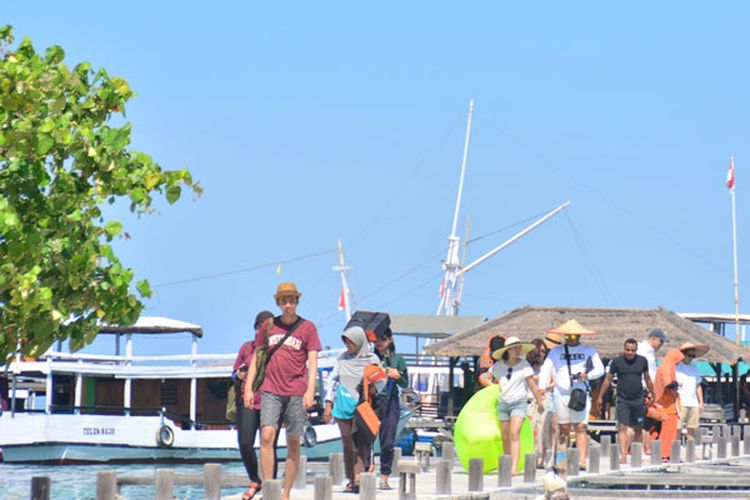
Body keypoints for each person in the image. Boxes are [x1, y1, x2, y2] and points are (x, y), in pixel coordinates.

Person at [244, 283, 321, 500]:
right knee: (267, 435)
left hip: (296, 391)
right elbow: (256, 359)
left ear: (297, 302)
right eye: (284, 301)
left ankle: (285, 492)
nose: (288, 305)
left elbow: (313, 361)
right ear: (278, 303)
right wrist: (249, 388)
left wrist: (310, 391)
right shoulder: (268, 326)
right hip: (271, 389)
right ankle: (270, 488)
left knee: (293, 441)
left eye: (292, 300)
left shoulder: (308, 328)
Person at [323, 326, 385, 493]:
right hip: (343, 405)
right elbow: (333, 380)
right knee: (347, 442)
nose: (348, 344)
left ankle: (359, 477)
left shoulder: (371, 358)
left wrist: (374, 389)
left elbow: (381, 380)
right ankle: (351, 478)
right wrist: (328, 403)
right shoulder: (342, 358)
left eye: (351, 341)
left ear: (359, 341)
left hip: (362, 406)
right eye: (346, 341)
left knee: (361, 442)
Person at [538, 319, 604, 470]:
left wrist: (587, 375)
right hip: (561, 393)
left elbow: (599, 369)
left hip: (579, 392)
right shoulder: (556, 351)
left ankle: (581, 460)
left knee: (581, 427)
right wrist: (542, 386)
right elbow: (546, 368)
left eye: (574, 336)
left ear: (579, 336)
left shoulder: (589, 350)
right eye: (567, 336)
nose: (570, 338)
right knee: (563, 428)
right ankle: (562, 457)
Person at [234, 310, 275, 500]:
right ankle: (254, 479)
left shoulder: (275, 347)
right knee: (245, 443)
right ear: (257, 327)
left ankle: (270, 484)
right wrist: (239, 375)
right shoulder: (247, 347)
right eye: (264, 326)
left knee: (269, 444)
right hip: (248, 400)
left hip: (270, 400)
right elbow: (233, 373)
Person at [491, 336, 544, 475]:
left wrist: (539, 401)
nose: (518, 350)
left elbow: (532, 384)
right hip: (503, 402)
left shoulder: (524, 365)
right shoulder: (498, 366)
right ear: (508, 350)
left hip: (519, 402)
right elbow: (486, 377)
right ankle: (507, 462)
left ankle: (514, 466)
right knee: (505, 435)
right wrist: (491, 386)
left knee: (515, 433)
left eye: (519, 347)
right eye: (515, 347)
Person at [596, 339, 655, 463]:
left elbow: (647, 378)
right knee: (622, 426)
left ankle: (636, 453)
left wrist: (653, 393)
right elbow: (607, 380)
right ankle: (623, 455)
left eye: (633, 350)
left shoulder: (642, 361)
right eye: (628, 350)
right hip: (623, 399)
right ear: (624, 349)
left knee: (638, 427)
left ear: (636, 350)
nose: (630, 353)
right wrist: (600, 396)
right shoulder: (617, 362)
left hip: (638, 399)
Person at [373, 328, 408, 490]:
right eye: (376, 340)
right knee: (366, 439)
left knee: (388, 441)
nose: (379, 343)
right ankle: (365, 471)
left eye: (383, 339)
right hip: (372, 400)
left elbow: (405, 384)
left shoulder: (398, 360)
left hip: (391, 400)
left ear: (390, 340)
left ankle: (384, 476)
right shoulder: (371, 358)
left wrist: (397, 375)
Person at [527, 334, 561, 469]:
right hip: (530, 401)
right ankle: (533, 457)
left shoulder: (548, 366)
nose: (542, 354)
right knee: (532, 430)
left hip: (545, 399)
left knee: (544, 431)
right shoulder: (526, 366)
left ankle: (542, 458)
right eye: (539, 351)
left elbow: (554, 381)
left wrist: (544, 386)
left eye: (543, 351)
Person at [649, 347, 685, 461]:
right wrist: (677, 384)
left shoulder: (666, 366)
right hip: (666, 404)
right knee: (668, 431)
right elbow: (668, 384)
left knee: (660, 430)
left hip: (665, 403)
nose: (678, 363)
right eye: (678, 361)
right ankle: (665, 453)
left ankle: (662, 453)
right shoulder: (666, 367)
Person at [636, 329, 666, 454]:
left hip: (650, 390)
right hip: (643, 389)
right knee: (643, 421)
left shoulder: (650, 352)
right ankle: (643, 449)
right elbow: (644, 373)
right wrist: (649, 389)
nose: (661, 345)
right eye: (661, 342)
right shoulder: (642, 349)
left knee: (648, 422)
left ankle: (646, 448)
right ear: (654, 339)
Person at [676, 342, 709, 441]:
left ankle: (691, 450)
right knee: (677, 427)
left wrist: (701, 402)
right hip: (681, 402)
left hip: (693, 402)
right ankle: (675, 449)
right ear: (683, 354)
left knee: (692, 427)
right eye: (689, 355)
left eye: (693, 356)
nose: (691, 358)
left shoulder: (694, 368)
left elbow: (698, 385)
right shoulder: (676, 366)